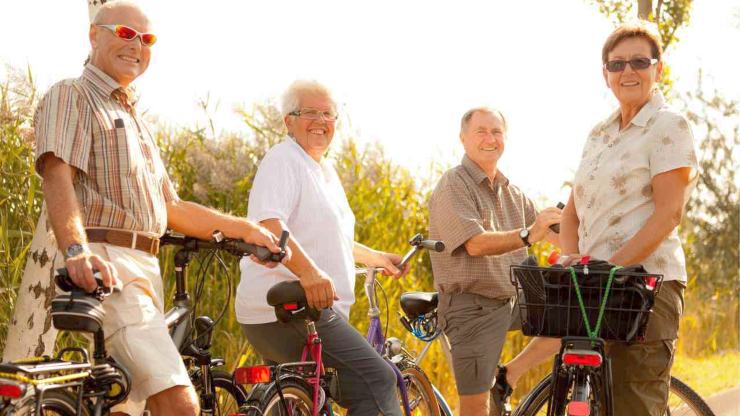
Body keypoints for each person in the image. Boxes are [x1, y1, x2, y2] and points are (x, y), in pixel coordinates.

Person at [5, 2, 285, 415]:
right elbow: (56, 175)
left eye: (147, 39)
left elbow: (171, 207)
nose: (136, 45)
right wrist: (76, 250)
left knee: (129, 409)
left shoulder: (133, 117)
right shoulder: (73, 94)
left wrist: (245, 230)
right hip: (109, 263)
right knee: (178, 401)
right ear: (94, 35)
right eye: (125, 33)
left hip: (146, 267)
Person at [500, 22, 698, 416]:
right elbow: (573, 209)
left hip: (645, 287)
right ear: (605, 74)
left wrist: (613, 266)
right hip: (595, 286)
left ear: (658, 69)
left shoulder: (668, 126)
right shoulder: (600, 132)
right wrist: (575, 260)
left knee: (632, 405)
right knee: (575, 391)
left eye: (640, 62)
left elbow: (668, 213)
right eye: (617, 64)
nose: (628, 71)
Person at [236, 80, 409, 416]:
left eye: (328, 114)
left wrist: (375, 257)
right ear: (288, 120)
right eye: (309, 112)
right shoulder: (284, 159)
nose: (320, 121)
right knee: (378, 381)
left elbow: (327, 235)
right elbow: (269, 225)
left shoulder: (322, 171)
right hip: (292, 311)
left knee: (304, 405)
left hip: (291, 311)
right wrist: (310, 273)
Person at [427, 107, 562, 416]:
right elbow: (474, 244)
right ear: (463, 139)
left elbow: (557, 238)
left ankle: (508, 375)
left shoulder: (512, 192)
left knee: (575, 318)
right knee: (477, 407)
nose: (490, 139)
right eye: (481, 132)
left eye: (496, 132)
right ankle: (492, 389)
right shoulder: (454, 184)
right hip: (471, 307)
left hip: (512, 301)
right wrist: (529, 234)